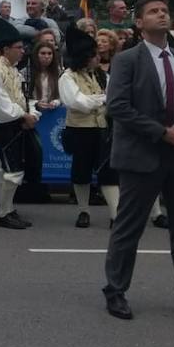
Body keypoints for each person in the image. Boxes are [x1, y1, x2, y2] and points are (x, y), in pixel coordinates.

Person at [102, 0, 174, 322]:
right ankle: (115, 290)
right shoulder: (128, 60)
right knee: (129, 227)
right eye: (153, 12)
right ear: (139, 23)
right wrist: (161, 132)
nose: (162, 15)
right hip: (143, 154)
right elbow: (118, 107)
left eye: (165, 11)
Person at [0, 18, 38, 229]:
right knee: (11, 171)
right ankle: (3, 214)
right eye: (18, 48)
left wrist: (31, 113)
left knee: (15, 170)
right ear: (5, 49)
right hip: (5, 126)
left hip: (17, 124)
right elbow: (0, 104)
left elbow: (20, 97)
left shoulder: (13, 71)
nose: (22, 51)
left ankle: (9, 209)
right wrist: (23, 116)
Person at [59, 24, 119, 228]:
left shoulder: (102, 75)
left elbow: (113, 97)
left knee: (108, 172)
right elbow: (77, 103)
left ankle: (115, 215)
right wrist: (101, 99)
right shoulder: (67, 76)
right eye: (93, 55)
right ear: (83, 57)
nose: (97, 58)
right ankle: (83, 211)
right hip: (79, 130)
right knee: (81, 172)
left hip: (102, 129)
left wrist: (97, 99)